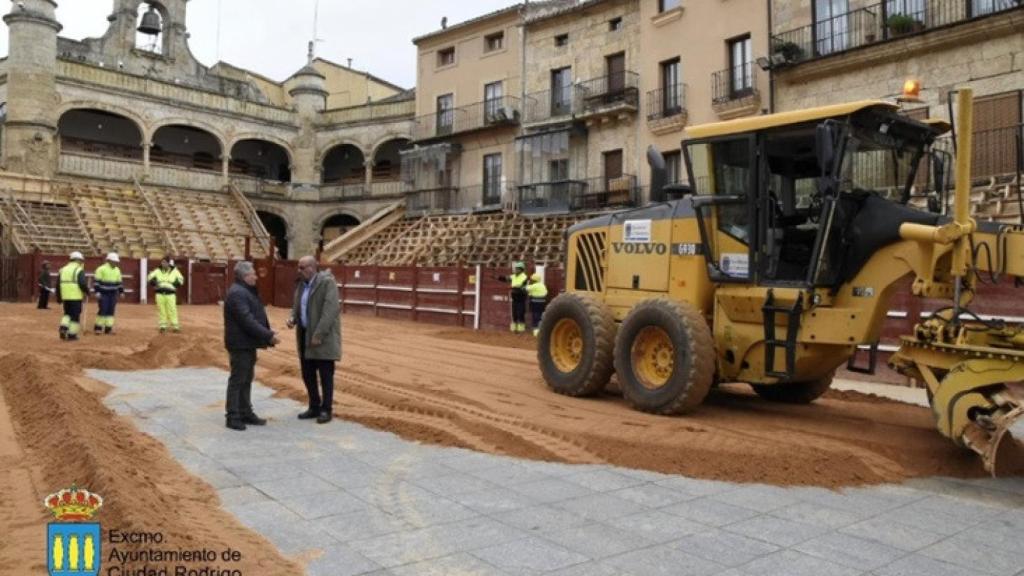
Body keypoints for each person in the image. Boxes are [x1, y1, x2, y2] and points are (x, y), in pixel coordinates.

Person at [223, 261, 279, 431]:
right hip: (240, 344)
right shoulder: (238, 293)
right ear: (245, 276)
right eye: (253, 274)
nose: (256, 276)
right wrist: (268, 335)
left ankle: (245, 412)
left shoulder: (242, 291)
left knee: (245, 379)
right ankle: (233, 416)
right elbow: (247, 320)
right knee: (238, 379)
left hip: (246, 343)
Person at [286, 256, 341, 424]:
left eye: (302, 267)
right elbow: (298, 306)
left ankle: (326, 409)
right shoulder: (302, 285)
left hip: (322, 337)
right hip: (304, 334)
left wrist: (319, 334)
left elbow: (330, 311)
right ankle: (314, 406)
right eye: (299, 267)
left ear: (312, 267)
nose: (299, 270)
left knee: (325, 375)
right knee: (308, 374)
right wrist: (292, 318)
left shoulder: (327, 283)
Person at [56, 252, 88, 341]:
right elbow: (82, 283)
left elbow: (58, 284)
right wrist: (87, 291)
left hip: (65, 296)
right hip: (75, 296)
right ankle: (72, 335)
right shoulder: (78, 269)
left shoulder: (62, 269)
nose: (82, 262)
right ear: (77, 260)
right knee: (75, 316)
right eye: (81, 260)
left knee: (67, 314)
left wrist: (58, 297)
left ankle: (63, 327)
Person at [148, 257, 184, 333]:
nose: (163, 264)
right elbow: (149, 277)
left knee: (172, 310)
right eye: (162, 262)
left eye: (165, 262)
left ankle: (175, 326)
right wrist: (155, 283)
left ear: (168, 263)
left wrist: (174, 285)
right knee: (161, 310)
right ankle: (163, 326)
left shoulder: (175, 271)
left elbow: (181, 280)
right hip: (160, 293)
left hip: (170, 294)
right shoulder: (157, 271)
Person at [93, 252, 124, 334]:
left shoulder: (117, 270)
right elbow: (96, 282)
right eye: (114, 261)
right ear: (109, 261)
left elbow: (119, 283)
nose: (116, 263)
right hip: (103, 293)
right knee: (103, 309)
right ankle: (98, 327)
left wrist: (121, 292)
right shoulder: (101, 269)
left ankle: (108, 328)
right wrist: (97, 292)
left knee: (111, 310)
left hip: (113, 294)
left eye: (116, 261)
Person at [499, 262, 529, 333]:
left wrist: (514, 287)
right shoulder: (513, 276)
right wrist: (498, 277)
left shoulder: (525, 277)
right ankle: (514, 329)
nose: (515, 270)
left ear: (521, 270)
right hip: (514, 297)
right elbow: (506, 279)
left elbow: (523, 286)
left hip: (521, 297)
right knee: (514, 313)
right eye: (515, 269)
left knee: (520, 313)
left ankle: (521, 330)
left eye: (517, 269)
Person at [526, 272, 548, 337]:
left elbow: (526, 288)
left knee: (535, 317)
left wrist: (528, 283)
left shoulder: (533, 286)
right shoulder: (543, 285)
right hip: (543, 303)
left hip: (535, 303)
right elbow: (546, 292)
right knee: (541, 316)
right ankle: (542, 330)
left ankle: (536, 332)